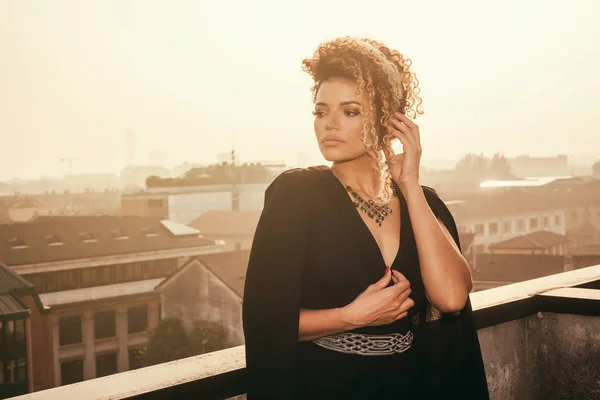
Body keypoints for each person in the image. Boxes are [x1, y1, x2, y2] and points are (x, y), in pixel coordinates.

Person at [242, 36, 489, 399]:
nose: (330, 124)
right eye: (321, 111)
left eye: (350, 111)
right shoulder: (295, 195)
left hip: (414, 385)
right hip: (327, 385)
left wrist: (410, 184)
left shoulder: (424, 203)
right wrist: (350, 317)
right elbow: (264, 320)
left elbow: (452, 298)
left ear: (387, 120)